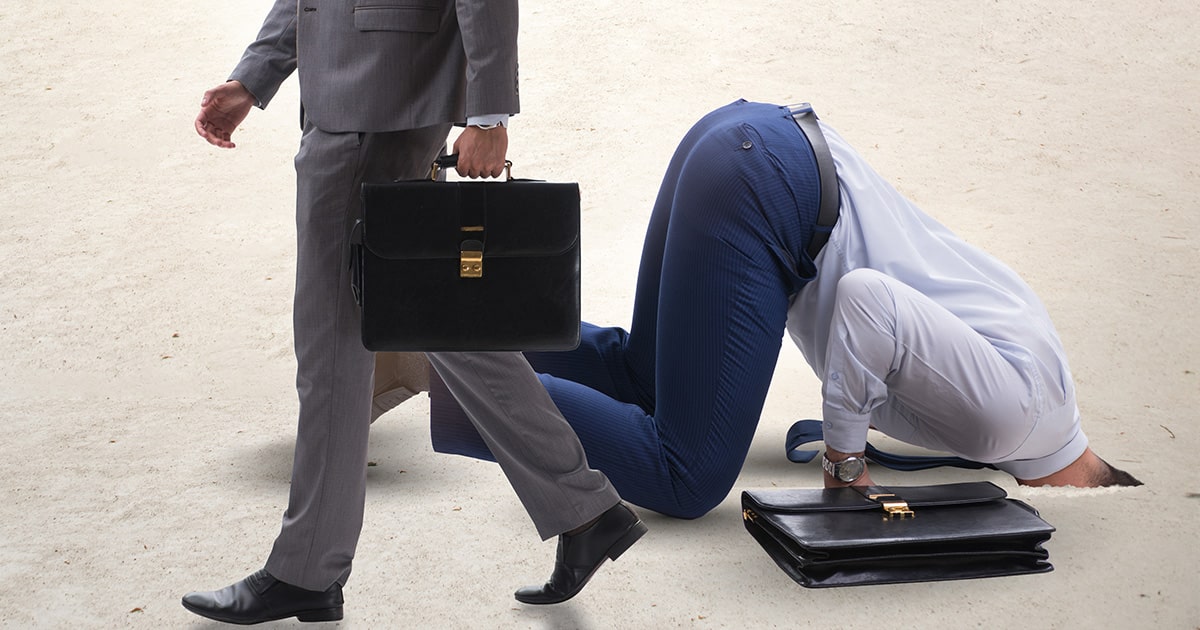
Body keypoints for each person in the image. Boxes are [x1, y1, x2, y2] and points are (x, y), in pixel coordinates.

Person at [430, 99, 1141, 520]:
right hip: (766, 193)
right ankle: (464, 390)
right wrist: (845, 462)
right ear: (1091, 489)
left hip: (747, 145)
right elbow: (869, 302)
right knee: (689, 475)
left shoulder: (1042, 388)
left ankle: (432, 326)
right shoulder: (1012, 420)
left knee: (644, 376)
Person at [181, 0, 645, 624]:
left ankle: (305, 571)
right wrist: (255, 75)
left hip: (377, 106)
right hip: (360, 92)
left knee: (332, 347)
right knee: (432, 319)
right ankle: (584, 509)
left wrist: (488, 113)